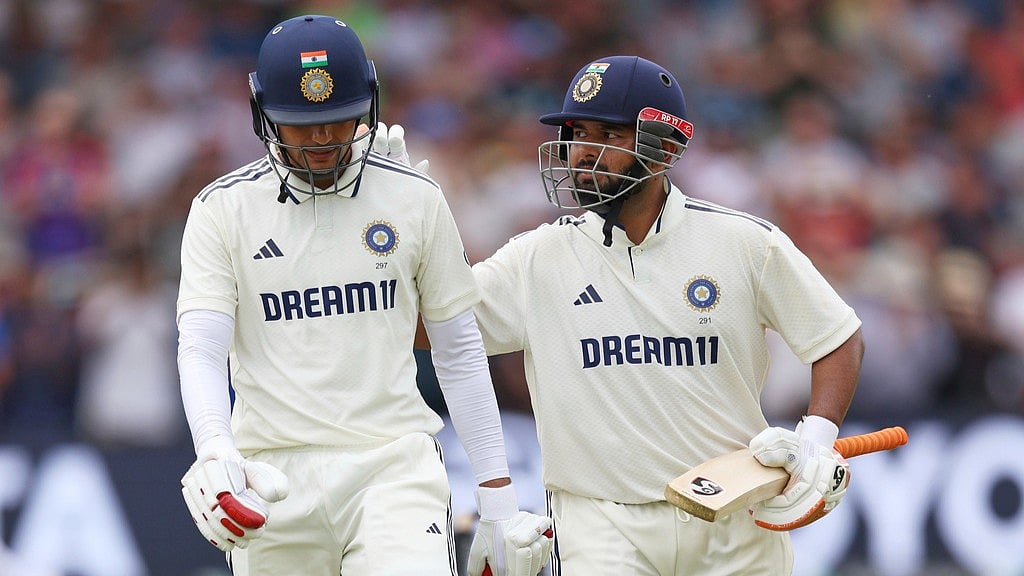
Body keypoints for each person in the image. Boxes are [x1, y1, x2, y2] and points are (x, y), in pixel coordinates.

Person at [406, 55, 865, 574]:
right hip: (601, 525)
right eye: (577, 133)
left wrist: (818, 441)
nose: (582, 153)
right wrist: (409, 230)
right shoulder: (536, 257)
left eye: (607, 135)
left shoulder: (742, 243)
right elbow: (432, 328)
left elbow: (836, 338)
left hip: (735, 516)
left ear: (664, 148)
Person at [175, 15, 551, 576]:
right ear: (262, 117)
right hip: (273, 478)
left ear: (370, 105)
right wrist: (215, 450)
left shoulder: (415, 199)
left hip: (393, 467)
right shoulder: (221, 209)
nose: (324, 140)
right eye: (301, 126)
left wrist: (497, 503)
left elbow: (459, 352)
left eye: (338, 120)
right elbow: (202, 345)